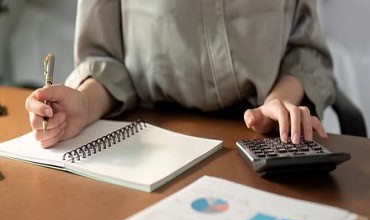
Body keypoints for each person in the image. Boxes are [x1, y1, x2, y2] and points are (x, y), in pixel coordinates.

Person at [25, 0, 335, 148]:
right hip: (148, 133)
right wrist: (83, 103)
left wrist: (277, 103)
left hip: (261, 137)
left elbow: (305, 51)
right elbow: (105, 61)